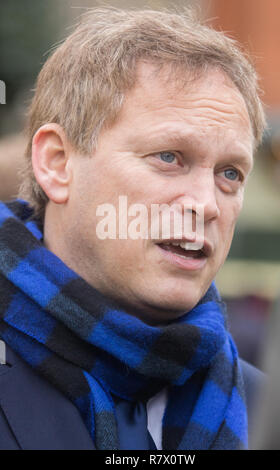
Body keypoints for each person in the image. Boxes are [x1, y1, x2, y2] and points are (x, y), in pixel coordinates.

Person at [0, 7, 266, 450]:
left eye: (230, 173)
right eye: (169, 157)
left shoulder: (272, 410)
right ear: (57, 163)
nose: (205, 204)